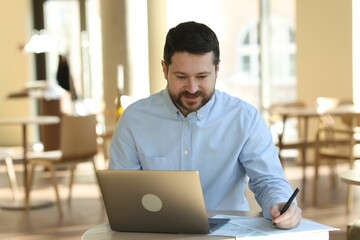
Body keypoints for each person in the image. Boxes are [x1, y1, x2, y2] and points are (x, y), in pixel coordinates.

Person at [109, 21, 302, 229]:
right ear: (165, 69)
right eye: (181, 77)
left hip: (228, 234)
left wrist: (281, 204)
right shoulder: (134, 120)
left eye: (202, 76)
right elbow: (121, 194)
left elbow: (269, 182)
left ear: (217, 69)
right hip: (156, 233)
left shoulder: (244, 119)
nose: (192, 88)